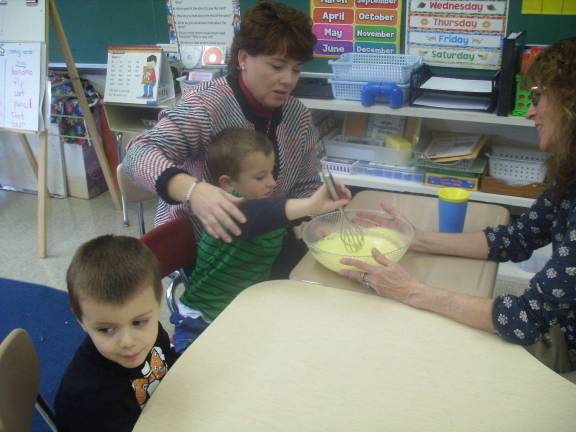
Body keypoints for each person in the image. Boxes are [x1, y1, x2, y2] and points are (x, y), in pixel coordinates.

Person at [340, 37, 576, 373]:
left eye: (538, 97)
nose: (529, 112)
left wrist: (411, 291)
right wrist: (414, 237)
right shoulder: (570, 173)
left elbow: (525, 318)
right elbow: (518, 238)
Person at [122, 1, 332, 277]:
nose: (287, 80)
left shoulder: (297, 116)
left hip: (264, 245)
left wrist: (304, 214)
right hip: (208, 254)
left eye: (295, 69)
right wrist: (192, 190)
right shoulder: (206, 105)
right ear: (243, 58)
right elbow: (137, 153)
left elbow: (305, 182)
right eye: (277, 65)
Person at [170, 127, 350, 352]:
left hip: (241, 310)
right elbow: (257, 215)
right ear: (228, 184)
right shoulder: (226, 210)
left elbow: (275, 224)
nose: (272, 182)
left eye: (272, 173)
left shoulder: (263, 207)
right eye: (260, 177)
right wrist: (310, 205)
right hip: (202, 320)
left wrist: (305, 229)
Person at [54, 235, 179, 432]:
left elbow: (170, 369)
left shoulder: (154, 334)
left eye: (138, 322)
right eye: (105, 329)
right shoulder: (88, 400)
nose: (127, 342)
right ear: (80, 319)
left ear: (159, 302)